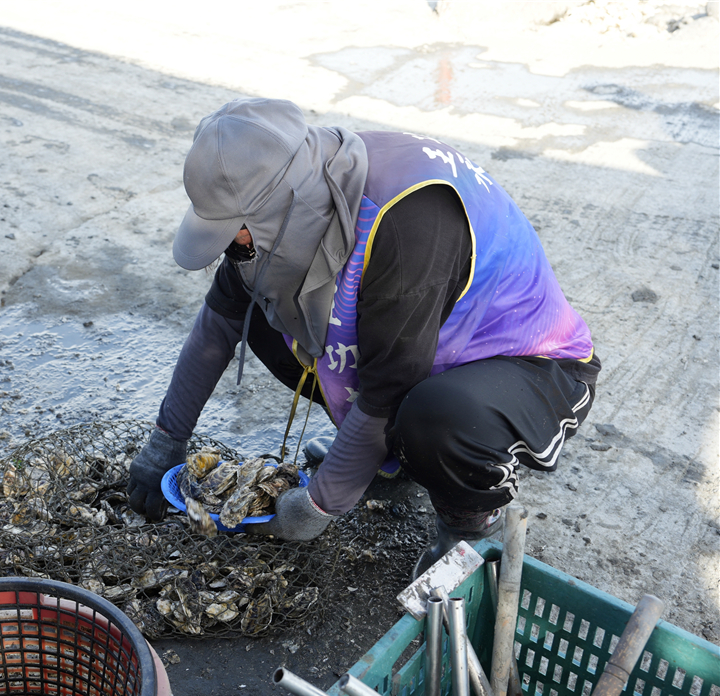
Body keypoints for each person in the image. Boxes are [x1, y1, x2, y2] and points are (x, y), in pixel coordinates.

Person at [126, 97, 599, 578]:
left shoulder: (405, 222)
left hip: (531, 368)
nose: (232, 245)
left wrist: (317, 504)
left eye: (234, 231)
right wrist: (167, 440)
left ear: (276, 208)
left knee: (436, 417)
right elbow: (220, 322)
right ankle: (388, 458)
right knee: (262, 317)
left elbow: (387, 392)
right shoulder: (302, 187)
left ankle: (471, 526)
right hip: (423, 352)